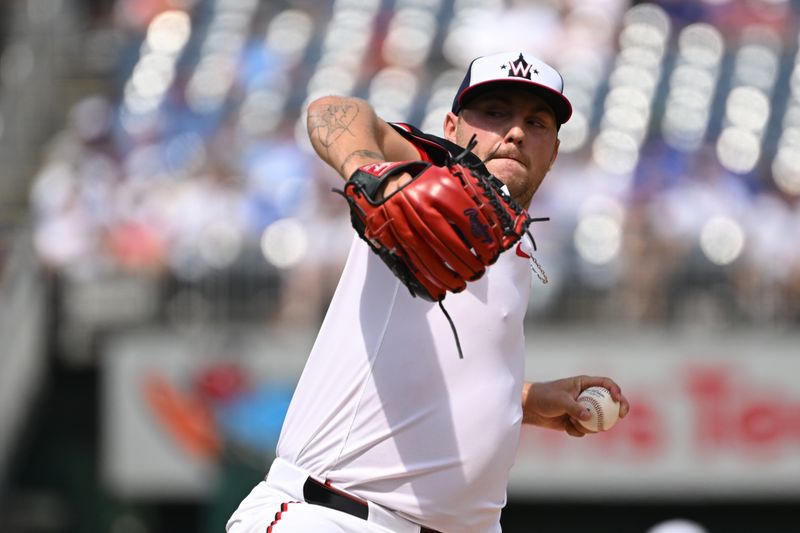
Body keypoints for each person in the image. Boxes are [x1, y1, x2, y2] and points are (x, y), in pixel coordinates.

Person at [227, 51, 631, 533]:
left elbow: (439, 373)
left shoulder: (514, 237)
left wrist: (524, 400)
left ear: (554, 150)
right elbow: (333, 111)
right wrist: (372, 172)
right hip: (340, 517)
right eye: (496, 112)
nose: (516, 132)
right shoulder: (434, 178)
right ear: (452, 126)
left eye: (536, 121)